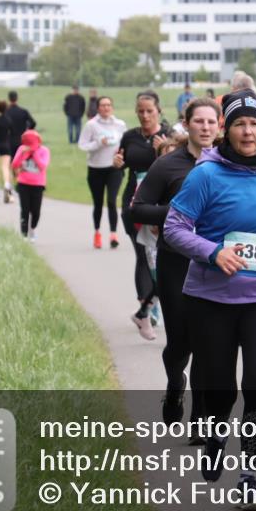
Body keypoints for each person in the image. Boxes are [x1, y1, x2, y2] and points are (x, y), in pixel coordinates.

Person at [163, 88, 256, 510]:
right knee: (220, 387)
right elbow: (175, 228)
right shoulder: (206, 175)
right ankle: (213, 433)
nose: (248, 131)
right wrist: (212, 252)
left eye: (255, 123)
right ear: (226, 129)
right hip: (210, 299)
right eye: (240, 124)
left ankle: (250, 474)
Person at [131, 98, 220, 437]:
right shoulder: (168, 166)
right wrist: (176, 213)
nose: (206, 128)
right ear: (187, 124)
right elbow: (138, 209)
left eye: (212, 122)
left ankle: (200, 418)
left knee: (207, 341)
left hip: (214, 262)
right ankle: (174, 382)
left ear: (219, 126)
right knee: (180, 342)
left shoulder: (229, 165)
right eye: (199, 121)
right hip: (176, 261)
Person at [114, 90, 170, 339]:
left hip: (160, 205)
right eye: (141, 111)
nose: (145, 115)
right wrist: (118, 163)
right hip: (134, 203)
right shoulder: (129, 137)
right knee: (143, 255)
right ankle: (150, 308)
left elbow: (175, 167)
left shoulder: (168, 135)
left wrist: (163, 150)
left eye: (149, 111)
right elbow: (123, 161)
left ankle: (147, 308)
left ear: (159, 111)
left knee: (166, 258)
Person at [79, 96, 126, 249]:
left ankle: (113, 235)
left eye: (108, 105)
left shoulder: (120, 124)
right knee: (98, 203)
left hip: (114, 168)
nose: (106, 108)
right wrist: (99, 143)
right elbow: (83, 145)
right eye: (103, 105)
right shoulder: (91, 125)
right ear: (98, 108)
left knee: (112, 201)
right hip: (96, 168)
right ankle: (97, 232)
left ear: (112, 107)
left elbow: (125, 144)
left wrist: (122, 155)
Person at [12, 129, 50, 242]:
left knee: (36, 211)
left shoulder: (44, 151)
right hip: (23, 183)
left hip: (38, 184)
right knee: (25, 209)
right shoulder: (22, 149)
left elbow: (43, 166)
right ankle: (24, 234)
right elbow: (14, 165)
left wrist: (34, 153)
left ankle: (32, 228)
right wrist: (23, 153)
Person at [0, 101, 14, 203]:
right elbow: (12, 133)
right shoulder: (9, 120)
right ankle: (6, 184)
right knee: (5, 167)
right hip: (5, 144)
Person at [5, 90, 36, 158]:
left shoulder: (6, 112)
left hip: (10, 140)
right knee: (21, 161)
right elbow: (33, 123)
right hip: (22, 140)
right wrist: (27, 130)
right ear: (17, 98)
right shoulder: (23, 111)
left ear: (9, 99)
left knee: (11, 162)